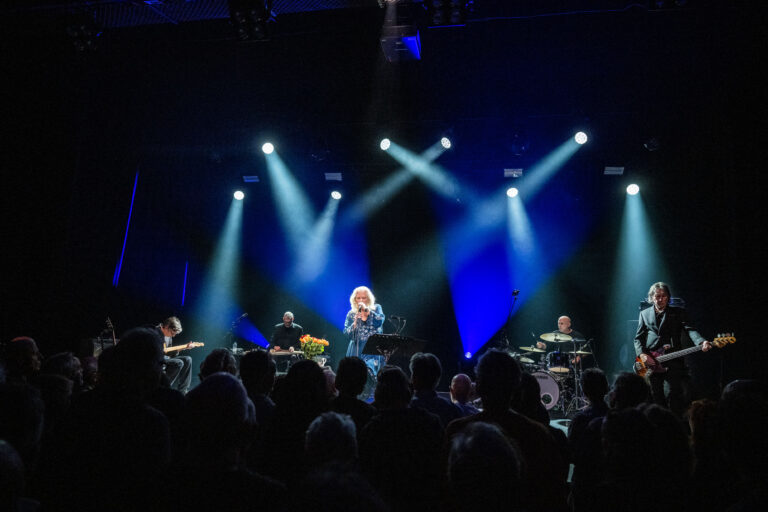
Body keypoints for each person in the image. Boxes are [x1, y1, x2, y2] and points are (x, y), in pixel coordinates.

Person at [634, 282, 710, 417]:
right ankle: (661, 421)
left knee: (676, 393)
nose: (660, 299)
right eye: (657, 296)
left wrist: (702, 341)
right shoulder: (644, 314)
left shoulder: (678, 313)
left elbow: (690, 329)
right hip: (652, 359)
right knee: (656, 394)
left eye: (663, 296)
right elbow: (638, 339)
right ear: (651, 298)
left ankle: (675, 421)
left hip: (673, 358)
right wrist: (642, 355)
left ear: (668, 297)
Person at [343, 286, 385, 376]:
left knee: (371, 375)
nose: (361, 300)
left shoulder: (376, 308)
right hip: (356, 348)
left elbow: (380, 321)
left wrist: (368, 311)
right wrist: (354, 323)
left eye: (364, 298)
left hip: (372, 349)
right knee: (354, 374)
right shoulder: (351, 313)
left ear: (368, 299)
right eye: (358, 298)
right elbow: (347, 333)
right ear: (355, 300)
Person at [156, 316, 193, 394]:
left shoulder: (168, 336)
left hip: (165, 358)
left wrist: (184, 348)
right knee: (179, 363)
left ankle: (182, 391)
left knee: (188, 359)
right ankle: (165, 389)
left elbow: (168, 353)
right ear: (166, 327)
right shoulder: (155, 332)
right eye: (172, 333)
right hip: (157, 360)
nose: (173, 336)